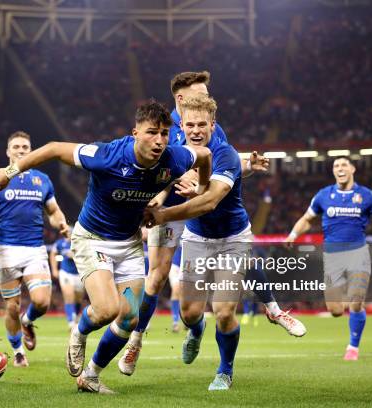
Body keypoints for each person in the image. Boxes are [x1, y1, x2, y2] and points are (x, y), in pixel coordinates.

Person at [0, 100, 212, 394]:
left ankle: (91, 376)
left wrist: (201, 190)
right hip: (92, 238)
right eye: (151, 133)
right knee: (106, 310)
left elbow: (204, 156)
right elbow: (54, 148)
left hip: (129, 242)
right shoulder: (107, 155)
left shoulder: (174, 158)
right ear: (135, 133)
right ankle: (79, 332)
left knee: (130, 318)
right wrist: (9, 171)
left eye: (165, 134)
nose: (159, 141)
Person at [119, 71, 305, 376]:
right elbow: (152, 166)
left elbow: (224, 170)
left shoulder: (214, 132)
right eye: (201, 94)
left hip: (200, 210)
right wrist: (158, 195)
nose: (206, 98)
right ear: (181, 99)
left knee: (235, 248)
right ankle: (136, 341)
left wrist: (246, 166)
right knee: (155, 277)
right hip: (172, 208)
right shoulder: (163, 129)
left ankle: (270, 310)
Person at [142, 94, 260, 390]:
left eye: (202, 125)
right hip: (197, 239)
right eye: (190, 125)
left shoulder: (226, 155)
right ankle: (196, 331)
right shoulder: (176, 154)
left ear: (213, 125)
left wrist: (162, 215)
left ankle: (224, 370)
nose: (196, 131)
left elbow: (208, 202)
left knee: (223, 311)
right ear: (182, 125)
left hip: (233, 239)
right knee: (190, 314)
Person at [0, 130, 69, 367]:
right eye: (16, 147)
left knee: (42, 302)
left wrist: (62, 223)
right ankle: (18, 352)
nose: (21, 151)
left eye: (25, 147)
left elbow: (53, 211)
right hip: (6, 250)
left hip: (35, 249)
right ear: (8, 151)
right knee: (12, 307)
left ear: (30, 151)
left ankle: (28, 321)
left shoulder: (42, 180)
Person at [285, 156, 372, 360]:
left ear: (353, 169)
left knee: (356, 302)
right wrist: (293, 235)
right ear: (333, 171)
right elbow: (307, 219)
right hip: (332, 257)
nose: (340, 168)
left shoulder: (366, 196)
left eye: (344, 165)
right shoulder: (323, 196)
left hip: (358, 255)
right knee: (336, 310)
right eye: (336, 165)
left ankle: (353, 347)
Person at [50, 227, 84, 330]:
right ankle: (71, 321)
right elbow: (53, 253)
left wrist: (76, 255)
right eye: (68, 233)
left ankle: (76, 316)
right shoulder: (60, 243)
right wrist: (54, 270)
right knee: (69, 295)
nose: (69, 234)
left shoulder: (80, 243)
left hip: (79, 274)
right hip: (65, 272)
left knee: (78, 298)